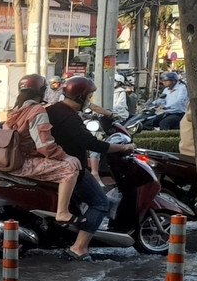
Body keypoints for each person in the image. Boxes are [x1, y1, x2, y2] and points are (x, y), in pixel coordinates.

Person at [46, 75, 138, 261]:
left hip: (55, 165)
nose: (89, 100)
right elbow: (92, 144)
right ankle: (79, 247)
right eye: (88, 97)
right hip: (72, 169)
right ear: (80, 97)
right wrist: (122, 147)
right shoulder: (69, 118)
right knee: (100, 202)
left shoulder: (54, 110)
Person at [4, 76, 82, 232]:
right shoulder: (37, 110)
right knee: (70, 169)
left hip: (10, 161)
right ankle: (62, 212)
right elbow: (44, 145)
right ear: (42, 91)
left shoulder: (15, 110)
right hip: (24, 163)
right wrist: (66, 157)